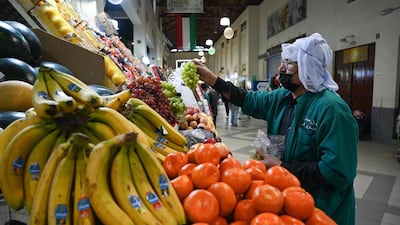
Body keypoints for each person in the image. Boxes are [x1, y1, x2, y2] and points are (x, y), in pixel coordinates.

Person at [194, 33, 358, 225]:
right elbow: (246, 99)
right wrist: (213, 80)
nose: (281, 68)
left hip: (321, 210)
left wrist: (282, 167)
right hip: (287, 204)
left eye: (289, 63)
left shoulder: (332, 109)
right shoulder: (281, 97)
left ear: (308, 67)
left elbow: (337, 172)